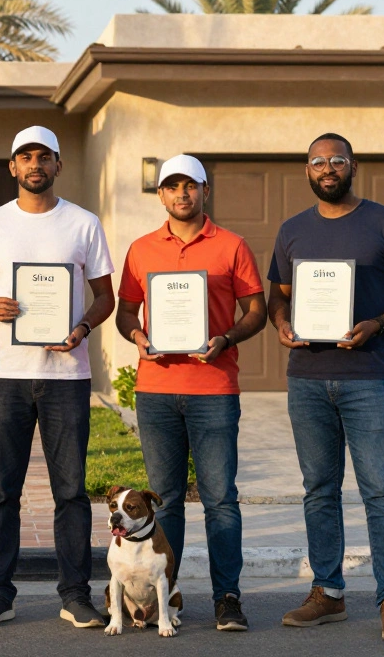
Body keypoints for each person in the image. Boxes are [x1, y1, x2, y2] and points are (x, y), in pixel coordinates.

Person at [267, 133, 384, 643]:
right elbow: (280, 296)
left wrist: (378, 323)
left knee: (381, 489)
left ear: (352, 165)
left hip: (370, 377)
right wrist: (281, 324)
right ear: (307, 170)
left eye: (336, 159)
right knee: (319, 491)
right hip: (308, 380)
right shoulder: (293, 230)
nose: (327, 168)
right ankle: (328, 594)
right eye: (318, 161)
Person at [0, 125, 116, 629]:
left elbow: (104, 296)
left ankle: (74, 595)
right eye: (25, 157)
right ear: (12, 167)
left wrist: (81, 327)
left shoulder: (84, 223)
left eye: (44, 156)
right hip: (5, 373)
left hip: (67, 376)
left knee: (70, 491)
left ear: (57, 165)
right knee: (2, 491)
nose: (34, 165)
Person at [114, 154, 267, 632]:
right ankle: (168, 600)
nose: (182, 194)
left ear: (205, 191)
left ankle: (228, 598)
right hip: (156, 390)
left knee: (221, 498)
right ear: (160, 195)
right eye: (172, 187)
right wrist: (139, 338)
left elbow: (256, 311)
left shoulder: (232, 246)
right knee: (168, 500)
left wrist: (226, 339)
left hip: (214, 389)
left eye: (191, 186)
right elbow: (125, 313)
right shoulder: (141, 249)